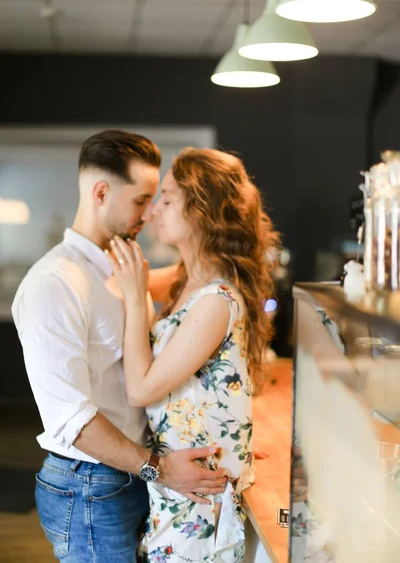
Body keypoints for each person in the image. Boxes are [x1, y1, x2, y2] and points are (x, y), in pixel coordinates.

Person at [11, 131, 227, 563]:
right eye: (141, 200)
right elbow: (72, 419)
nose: (150, 214)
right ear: (101, 192)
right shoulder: (53, 283)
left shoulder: (120, 264)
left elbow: (188, 275)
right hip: (89, 486)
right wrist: (160, 468)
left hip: (130, 475)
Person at [106, 147, 279, 562]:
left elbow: (140, 389)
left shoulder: (217, 299)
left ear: (201, 209)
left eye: (166, 198)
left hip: (198, 496)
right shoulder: (188, 280)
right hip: (182, 484)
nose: (152, 212)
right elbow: (113, 285)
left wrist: (134, 298)